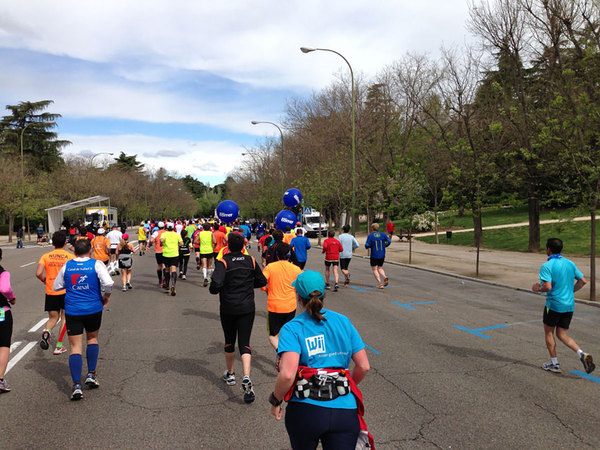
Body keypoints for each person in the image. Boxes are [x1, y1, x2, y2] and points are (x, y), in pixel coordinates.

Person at [269, 270, 372, 449]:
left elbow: (287, 374)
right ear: (324, 293)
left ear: (297, 296)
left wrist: (276, 399)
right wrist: (345, 386)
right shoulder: (343, 321)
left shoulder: (292, 328)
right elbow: (363, 366)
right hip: (345, 410)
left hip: (306, 408)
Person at [209, 233, 267, 404]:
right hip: (247, 306)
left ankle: (231, 374)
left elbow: (215, 286)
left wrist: (222, 286)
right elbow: (261, 280)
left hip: (228, 307)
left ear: (227, 245)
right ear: (243, 245)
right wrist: (249, 284)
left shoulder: (223, 261)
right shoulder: (251, 260)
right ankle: (247, 376)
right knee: (245, 343)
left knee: (229, 341)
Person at [53, 239, 113, 401]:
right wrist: (106, 296)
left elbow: (56, 286)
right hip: (93, 307)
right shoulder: (96, 264)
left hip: (73, 310)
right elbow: (108, 283)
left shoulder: (68, 265)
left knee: (75, 347)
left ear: (74, 252)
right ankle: (91, 374)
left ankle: (76, 386)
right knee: (92, 338)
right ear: (91, 250)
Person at [532, 238, 595, 374]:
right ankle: (582, 354)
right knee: (562, 334)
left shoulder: (547, 266)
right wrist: (570, 291)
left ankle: (554, 364)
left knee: (549, 332)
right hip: (569, 305)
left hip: (554, 305)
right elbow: (583, 281)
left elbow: (547, 286)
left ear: (548, 249)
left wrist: (538, 288)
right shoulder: (570, 263)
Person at [36, 231, 75, 355]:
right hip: (65, 291)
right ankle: (58, 345)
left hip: (51, 290)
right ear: (65, 243)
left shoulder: (46, 256)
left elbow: (38, 273)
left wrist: (45, 280)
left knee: (53, 318)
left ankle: (47, 330)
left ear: (52, 243)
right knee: (65, 318)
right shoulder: (70, 257)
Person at [261, 243, 302, 353]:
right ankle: (288, 354)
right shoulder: (296, 269)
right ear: (289, 255)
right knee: (286, 333)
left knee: (273, 336)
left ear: (277, 255)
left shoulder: (270, 267)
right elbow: (301, 286)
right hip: (290, 306)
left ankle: (282, 354)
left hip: (274, 306)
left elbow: (261, 283)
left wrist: (267, 290)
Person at [0, 249, 16, 392]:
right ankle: (0, 379)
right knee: (3, 344)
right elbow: (5, 288)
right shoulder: (3, 273)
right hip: (1, 311)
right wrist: (11, 298)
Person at [365, 223, 391, 289]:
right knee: (380, 267)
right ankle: (384, 276)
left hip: (374, 254)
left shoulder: (370, 236)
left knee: (374, 269)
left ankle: (379, 283)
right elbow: (389, 241)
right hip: (382, 254)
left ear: (372, 228)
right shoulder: (383, 234)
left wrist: (370, 246)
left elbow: (367, 245)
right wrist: (385, 245)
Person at [161, 223, 183, 296]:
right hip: (174, 254)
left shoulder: (164, 234)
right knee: (173, 269)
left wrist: (162, 243)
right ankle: (173, 284)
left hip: (166, 254)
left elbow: (161, 240)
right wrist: (177, 244)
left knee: (167, 269)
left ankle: (167, 286)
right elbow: (181, 243)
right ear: (174, 228)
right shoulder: (177, 235)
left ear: (167, 228)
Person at [198, 222, 216, 287]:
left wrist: (200, 243)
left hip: (202, 250)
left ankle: (205, 277)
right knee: (209, 265)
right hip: (210, 250)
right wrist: (213, 247)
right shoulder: (211, 233)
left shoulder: (200, 233)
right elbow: (215, 242)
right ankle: (208, 278)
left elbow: (195, 241)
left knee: (204, 265)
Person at [150, 221, 166, 288]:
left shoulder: (156, 233)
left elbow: (151, 240)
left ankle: (160, 280)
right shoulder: (166, 232)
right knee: (164, 265)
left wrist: (150, 244)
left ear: (158, 227)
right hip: (166, 251)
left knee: (159, 265)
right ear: (164, 226)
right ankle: (165, 279)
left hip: (158, 251)